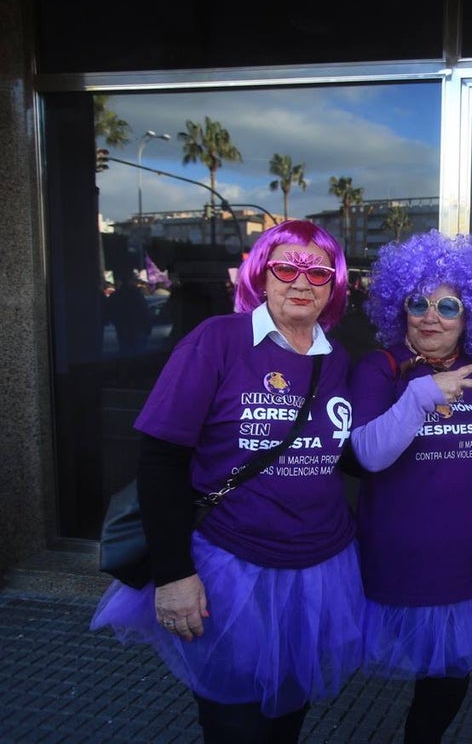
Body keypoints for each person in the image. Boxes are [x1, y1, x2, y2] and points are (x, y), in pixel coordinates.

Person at [90, 219, 365, 743]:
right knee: (234, 724)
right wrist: (173, 574)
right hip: (233, 567)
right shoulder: (217, 340)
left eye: (317, 271)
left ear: (334, 285)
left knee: (289, 713)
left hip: (321, 568)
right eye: (286, 267)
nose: (300, 281)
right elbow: (161, 460)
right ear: (261, 274)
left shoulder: (338, 358)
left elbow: (343, 451)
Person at [350, 230, 472, 744]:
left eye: (448, 306)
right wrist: (421, 395)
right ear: (398, 309)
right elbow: (368, 453)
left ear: (470, 316)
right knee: (430, 671)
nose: (430, 317)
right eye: (417, 303)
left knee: (450, 677)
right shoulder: (380, 369)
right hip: (408, 560)